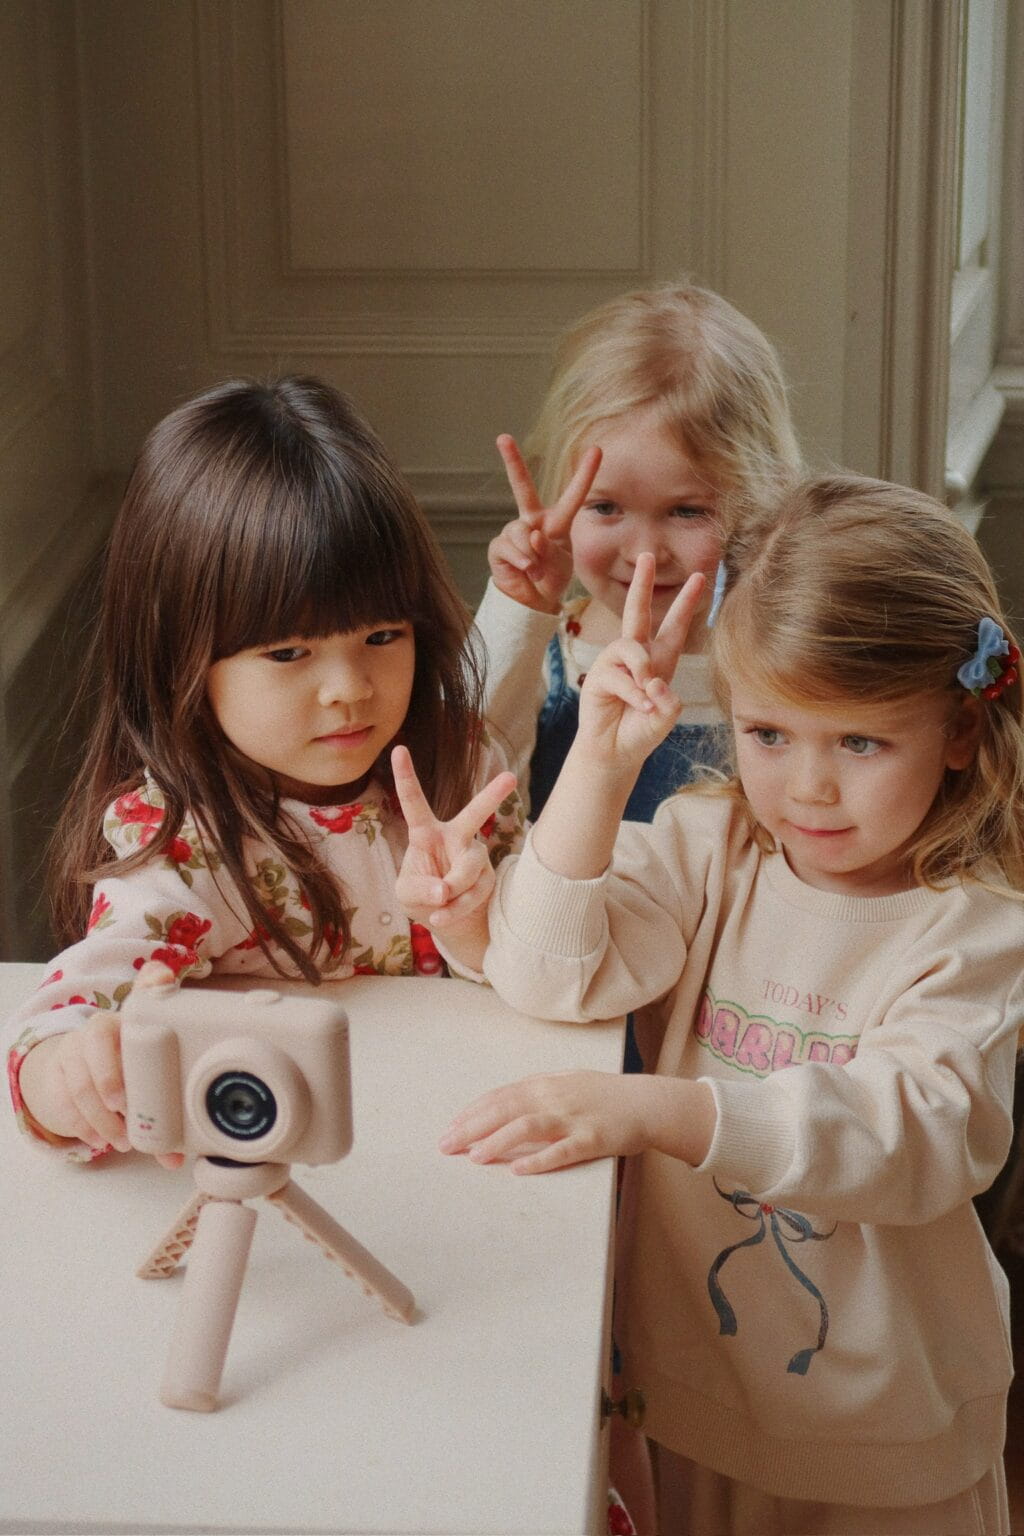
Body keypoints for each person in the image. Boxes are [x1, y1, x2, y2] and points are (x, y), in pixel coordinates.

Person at [402, 476, 1024, 1533]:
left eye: (859, 743)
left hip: (880, 1435)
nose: (807, 788)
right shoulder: (711, 847)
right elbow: (553, 973)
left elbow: (910, 1134)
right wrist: (599, 766)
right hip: (693, 1394)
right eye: (768, 734)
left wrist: (661, 1111)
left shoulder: (974, 929)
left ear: (959, 729)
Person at [4, 375, 522, 1164]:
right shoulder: (188, 841)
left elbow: (552, 967)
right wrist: (64, 1075)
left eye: (383, 636)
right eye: (288, 653)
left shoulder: (461, 769)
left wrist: (476, 925)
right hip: (284, 1165)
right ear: (181, 657)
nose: (350, 689)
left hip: (464, 1144)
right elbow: (67, 1014)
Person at [476, 279, 803, 825]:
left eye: (687, 511)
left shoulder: (774, 663)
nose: (645, 555)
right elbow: (466, 769)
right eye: (605, 507)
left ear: (759, 502)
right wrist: (519, 612)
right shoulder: (552, 657)